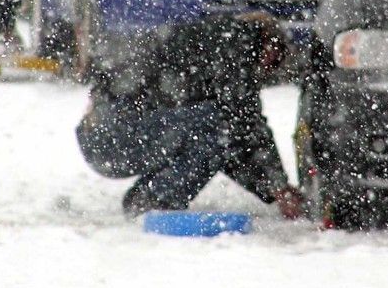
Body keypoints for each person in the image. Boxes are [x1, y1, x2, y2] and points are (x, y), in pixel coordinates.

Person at [76, 12, 306, 219]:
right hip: (114, 136)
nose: (266, 71)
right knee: (222, 124)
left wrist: (273, 190)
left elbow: (229, 148)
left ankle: (150, 197)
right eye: (275, 61)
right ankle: (153, 199)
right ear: (269, 43)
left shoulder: (209, 47)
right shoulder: (236, 42)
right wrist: (280, 188)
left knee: (217, 132)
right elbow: (244, 122)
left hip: (103, 141)